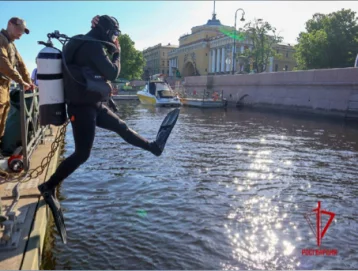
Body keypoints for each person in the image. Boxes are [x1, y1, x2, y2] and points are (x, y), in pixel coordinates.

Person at [38, 15, 179, 243]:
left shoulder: (78, 41)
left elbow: (88, 74)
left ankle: (154, 147)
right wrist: (117, 52)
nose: (114, 38)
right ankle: (48, 186)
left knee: (121, 127)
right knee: (82, 154)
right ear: (106, 31)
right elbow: (113, 73)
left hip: (92, 103)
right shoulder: (93, 47)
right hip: (82, 108)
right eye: (114, 34)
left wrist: (105, 97)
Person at [0, 17, 34, 141]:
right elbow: (3, 64)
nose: (21, 34)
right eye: (19, 29)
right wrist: (21, 81)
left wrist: (29, 83)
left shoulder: (12, 45)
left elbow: (21, 65)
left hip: (5, 86)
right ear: (10, 24)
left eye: (23, 32)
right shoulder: (1, 39)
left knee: (3, 119)